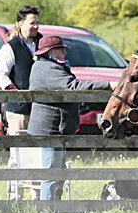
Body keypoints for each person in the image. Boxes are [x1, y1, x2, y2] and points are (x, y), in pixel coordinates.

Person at [27, 35, 115, 201]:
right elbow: (73, 86)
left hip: (53, 127)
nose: (64, 53)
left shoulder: (43, 65)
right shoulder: (49, 68)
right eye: (61, 50)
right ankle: (47, 211)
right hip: (51, 128)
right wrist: (107, 84)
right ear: (51, 52)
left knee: (56, 171)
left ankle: (54, 207)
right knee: (52, 173)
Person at [0, 4, 41, 134]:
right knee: (19, 146)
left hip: (41, 110)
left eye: (37, 23)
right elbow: (1, 75)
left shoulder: (43, 44)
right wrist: (16, 95)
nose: (36, 26)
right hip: (19, 112)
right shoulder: (10, 48)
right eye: (32, 23)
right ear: (20, 23)